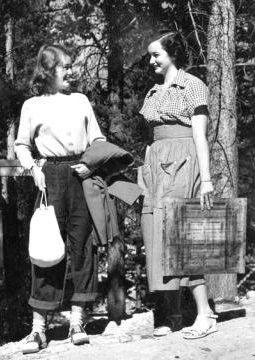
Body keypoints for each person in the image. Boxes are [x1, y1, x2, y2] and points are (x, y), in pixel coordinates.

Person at [15, 44, 105, 353]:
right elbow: (22, 145)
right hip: (48, 177)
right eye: (65, 66)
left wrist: (90, 162)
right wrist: (33, 168)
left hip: (81, 176)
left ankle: (77, 322)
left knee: (82, 248)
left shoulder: (80, 101)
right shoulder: (31, 106)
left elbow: (98, 140)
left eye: (70, 65)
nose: (71, 71)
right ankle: (38, 330)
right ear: (48, 70)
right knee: (47, 249)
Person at [138, 31, 218, 339]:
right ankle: (172, 314)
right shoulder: (154, 92)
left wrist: (207, 180)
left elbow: (200, 135)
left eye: (156, 54)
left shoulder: (193, 86)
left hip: (184, 162)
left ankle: (205, 313)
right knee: (155, 233)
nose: (151, 60)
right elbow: (154, 136)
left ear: (172, 54)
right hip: (156, 164)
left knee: (182, 236)